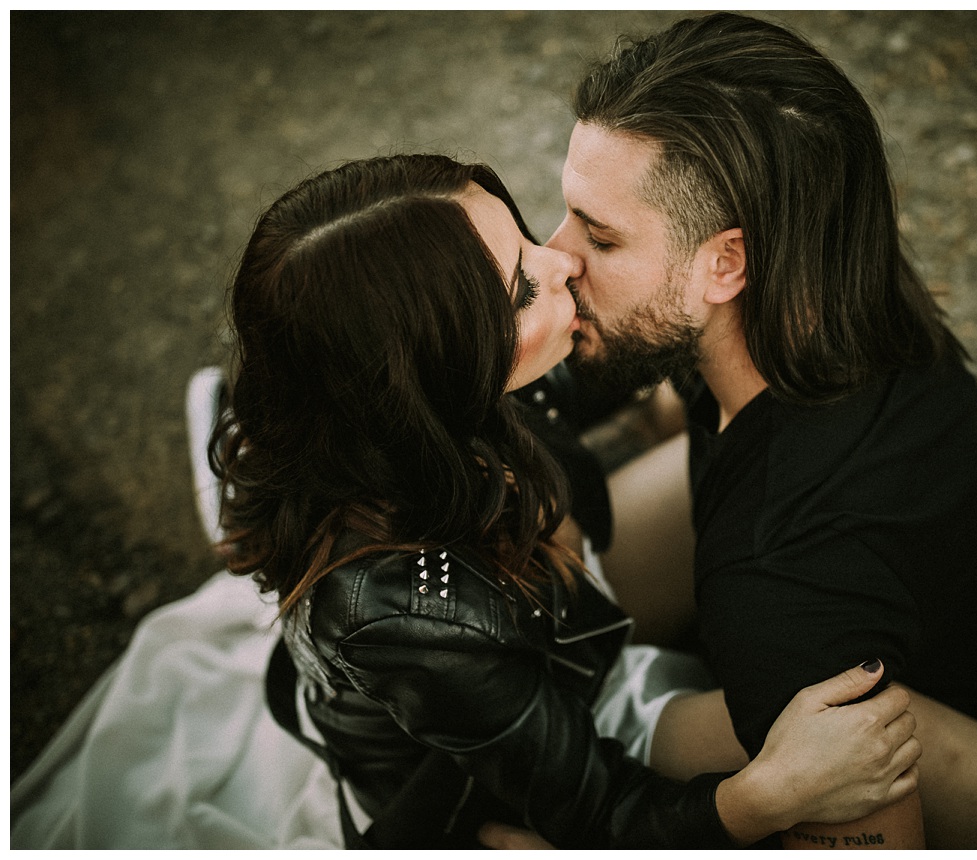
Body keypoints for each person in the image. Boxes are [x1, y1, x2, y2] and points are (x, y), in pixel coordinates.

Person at [526, 11, 977, 848]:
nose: (554, 256)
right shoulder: (834, 287)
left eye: (600, 235)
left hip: (941, 763)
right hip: (911, 584)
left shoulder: (775, 585)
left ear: (728, 263)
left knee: (538, 764)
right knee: (538, 603)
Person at [207, 152, 924, 849]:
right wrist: (763, 796)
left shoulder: (403, 406)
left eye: (522, 235)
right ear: (437, 377)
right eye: (522, 289)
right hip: (579, 707)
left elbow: (616, 366)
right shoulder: (407, 616)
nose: (561, 262)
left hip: (570, 602)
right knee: (881, 735)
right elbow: (602, 812)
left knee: (780, 425)